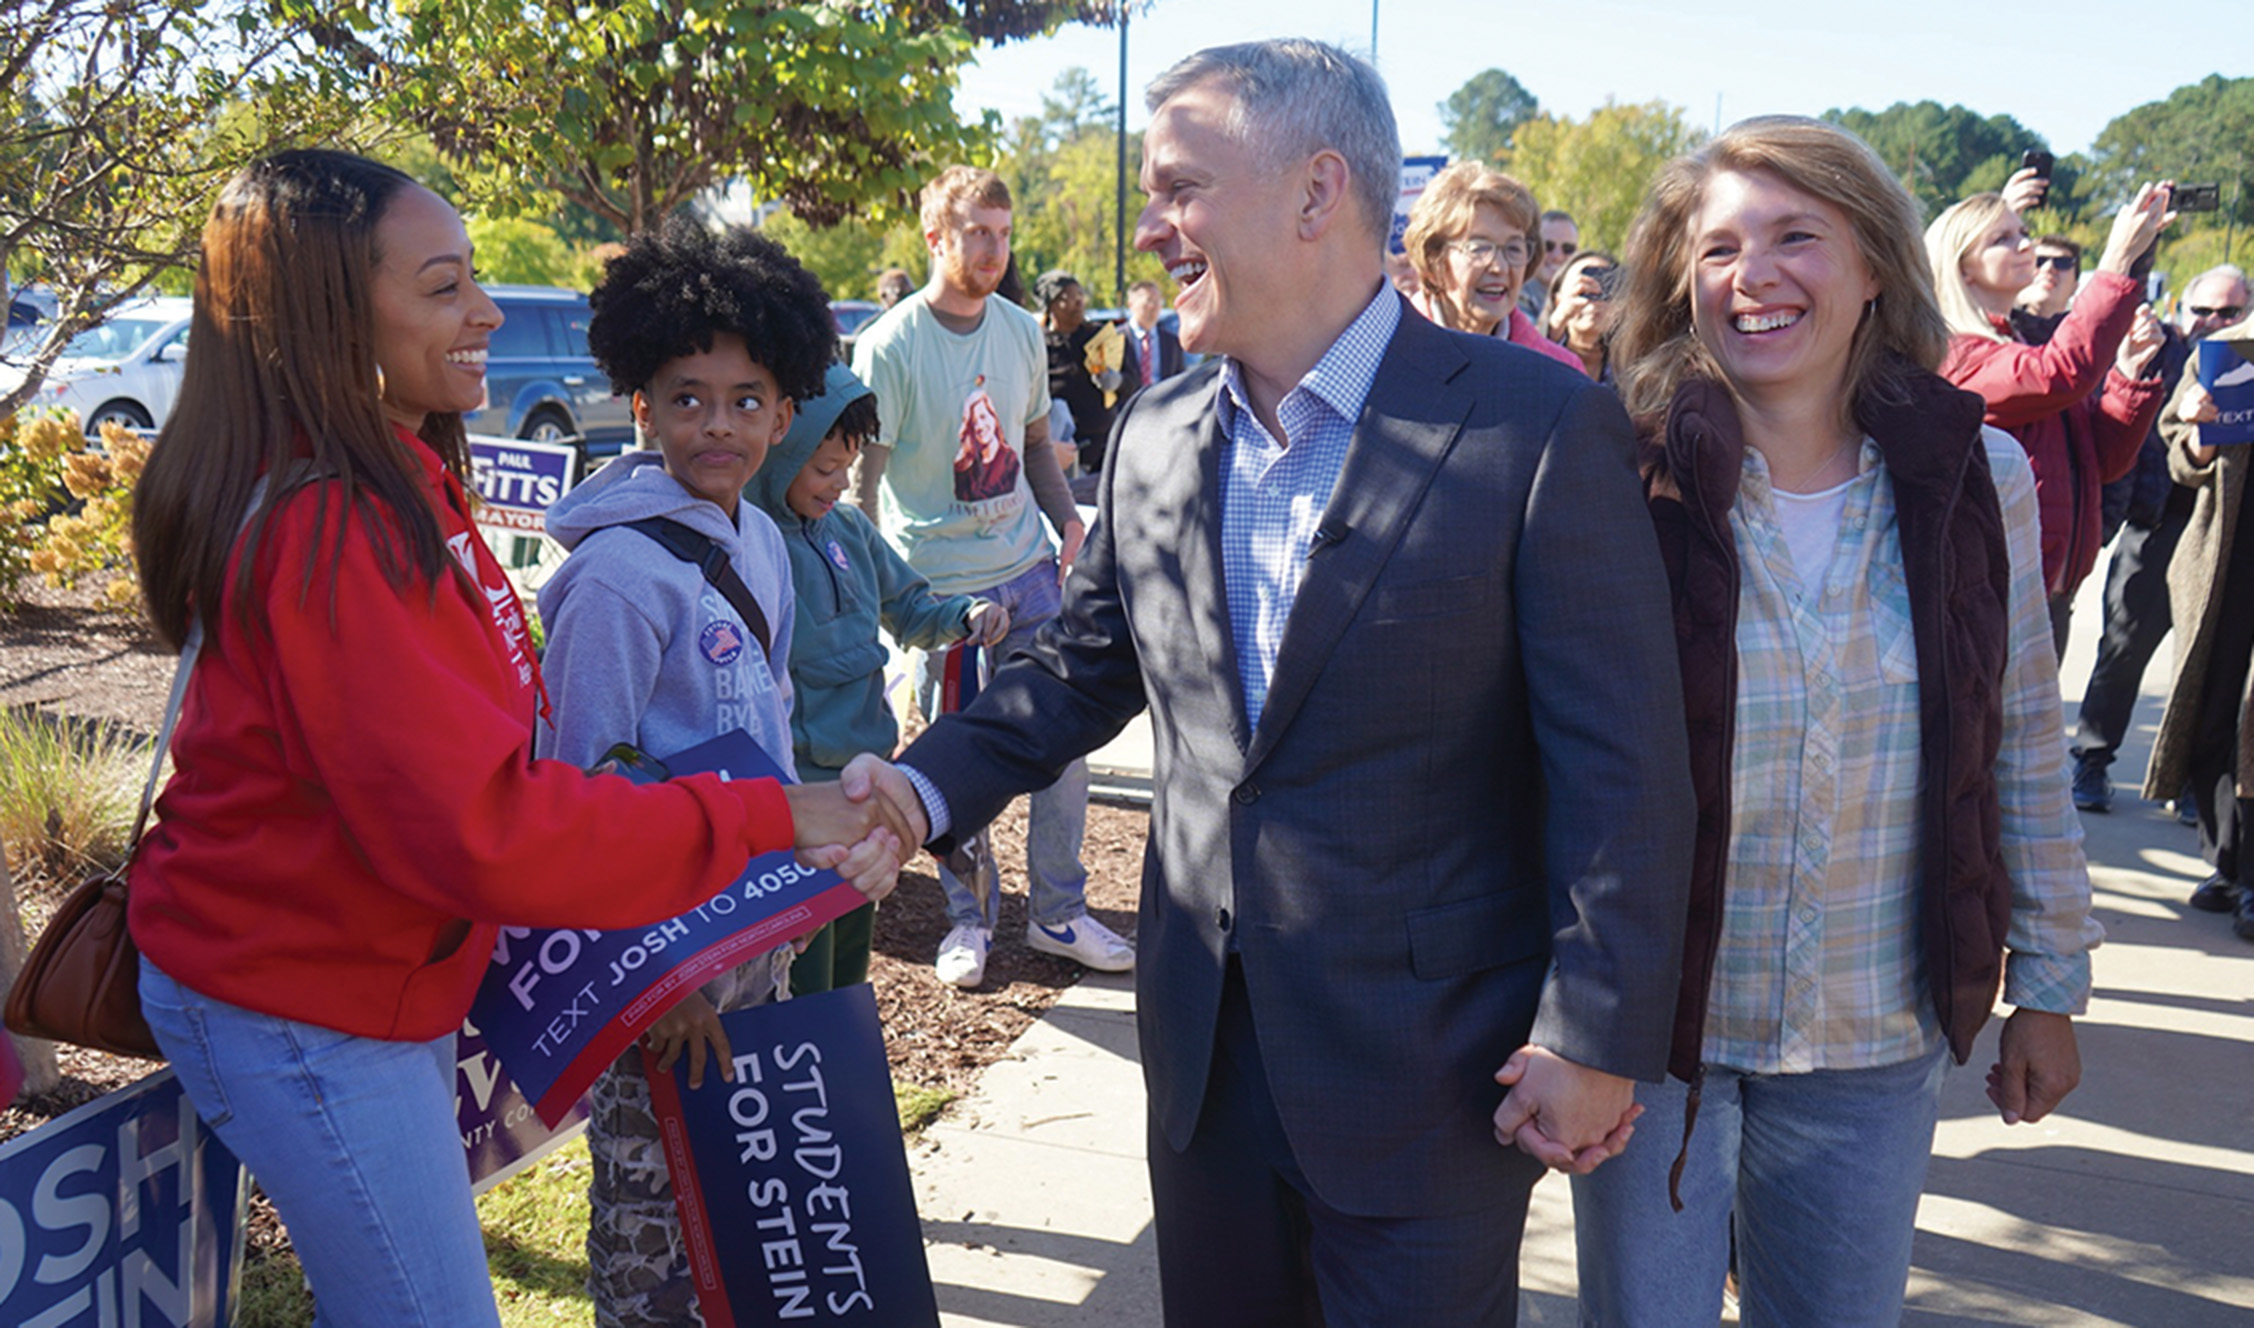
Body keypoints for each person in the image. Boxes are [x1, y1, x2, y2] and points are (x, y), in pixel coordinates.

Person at [859, 39, 1695, 1325]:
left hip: (1432, 1076)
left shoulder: (1535, 426)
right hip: (1206, 1071)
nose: (1150, 229)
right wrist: (917, 792)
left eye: (1179, 188)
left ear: (1316, 195)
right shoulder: (1151, 435)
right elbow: (1083, 670)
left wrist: (1594, 1034)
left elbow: (1622, 769)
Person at [125, 149, 905, 1327]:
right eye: (444, 287)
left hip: (365, 970)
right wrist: (772, 815)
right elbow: (491, 819)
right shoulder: (327, 525)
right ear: (335, 314)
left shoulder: (400, 479)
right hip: (302, 996)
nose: (488, 309)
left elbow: (493, 758)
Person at [1580, 115, 2102, 1327]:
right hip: (1656, 1040)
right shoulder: (1621, 475)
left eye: (1794, 237)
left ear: (1873, 265)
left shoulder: (1977, 481)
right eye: (1716, 249)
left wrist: (2050, 982)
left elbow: (2020, 732)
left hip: (1874, 1027)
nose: (1751, 276)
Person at [532, 218, 841, 1327]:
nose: (719, 422)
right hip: (656, 974)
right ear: (642, 404)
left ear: (787, 409)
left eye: (747, 397)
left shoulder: (756, 536)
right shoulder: (617, 577)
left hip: (751, 931)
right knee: (652, 1229)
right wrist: (661, 986)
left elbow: (774, 719)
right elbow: (573, 795)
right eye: (688, 395)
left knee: (740, 1208)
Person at [849, 165, 1134, 989]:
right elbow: (865, 484)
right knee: (956, 757)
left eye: (1003, 234)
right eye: (977, 232)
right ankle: (967, 922)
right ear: (936, 237)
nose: (993, 249)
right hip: (941, 595)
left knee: (1066, 741)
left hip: (1029, 570)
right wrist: (880, 595)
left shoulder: (1017, 331)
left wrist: (1069, 521)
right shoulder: (891, 344)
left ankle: (1059, 911)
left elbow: (1036, 443)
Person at [747, 361, 1013, 994]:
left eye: (849, 467)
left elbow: (911, 607)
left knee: (849, 964)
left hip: (865, 785)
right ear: (782, 451)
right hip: (800, 797)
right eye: (824, 468)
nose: (840, 483)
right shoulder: (753, 542)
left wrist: (961, 615)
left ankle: (842, 1082)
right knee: (798, 978)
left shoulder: (851, 531)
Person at [1927, 179, 2171, 654]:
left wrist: (2128, 373)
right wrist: (2117, 261)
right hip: (1993, 594)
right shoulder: (1957, 354)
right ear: (1963, 268)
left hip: (2049, 592)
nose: (2028, 246)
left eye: (2023, 231)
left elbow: (2105, 462)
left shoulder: (2020, 342)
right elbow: (2062, 373)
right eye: (2003, 238)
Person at [2070, 265, 2251, 813]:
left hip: (2225, 533)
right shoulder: (2159, 350)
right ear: (2184, 309)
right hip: (2156, 522)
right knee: (2124, 650)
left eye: (2228, 312)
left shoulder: (2244, 358)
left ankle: (2197, 784)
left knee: (2212, 665)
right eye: (2202, 311)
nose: (2212, 322)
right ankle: (2093, 761)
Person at [2144, 325, 2254, 941]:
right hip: (2225, 557)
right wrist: (2197, 429)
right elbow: (2179, 461)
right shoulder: (2231, 350)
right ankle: (2225, 862)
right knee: (2214, 711)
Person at [1401, 161, 1585, 372]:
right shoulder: (1388, 356)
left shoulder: (1560, 371)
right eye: (1479, 248)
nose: (1499, 267)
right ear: (1435, 261)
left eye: (1514, 249)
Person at [1035, 268, 1125, 474]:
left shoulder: (1100, 336)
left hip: (1103, 446)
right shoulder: (1038, 343)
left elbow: (1133, 381)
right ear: (1052, 305)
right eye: (1069, 297)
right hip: (1060, 450)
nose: (1079, 302)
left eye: (1080, 296)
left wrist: (1117, 381)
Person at [1543, 248, 1621, 386]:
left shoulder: (1629, 365)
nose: (1593, 300)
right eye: (1583, 290)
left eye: (1606, 286)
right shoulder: (1533, 349)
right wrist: (1553, 328)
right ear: (1558, 300)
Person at [1121, 277, 1186, 394]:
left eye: (1158, 301)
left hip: (1162, 407)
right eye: (1148, 301)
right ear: (1131, 304)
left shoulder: (1171, 342)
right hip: (1128, 407)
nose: (1154, 307)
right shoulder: (1117, 338)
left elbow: (1179, 380)